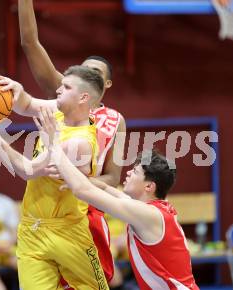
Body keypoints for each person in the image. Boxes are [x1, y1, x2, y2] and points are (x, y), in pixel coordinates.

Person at [16, 0, 127, 284]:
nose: (85, 75)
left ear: (105, 86)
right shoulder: (63, 99)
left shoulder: (116, 120)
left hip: (85, 209)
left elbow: (114, 177)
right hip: (49, 208)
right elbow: (30, 42)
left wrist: (81, 182)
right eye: (82, 70)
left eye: (95, 73)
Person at [0, 65, 109, 290]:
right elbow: (26, 104)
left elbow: (27, 170)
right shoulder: (58, 111)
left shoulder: (80, 142)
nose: (58, 90)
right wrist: (15, 89)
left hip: (68, 231)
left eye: (66, 87)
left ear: (83, 97)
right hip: (31, 229)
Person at [34, 107, 200, 290]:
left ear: (149, 186)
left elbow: (84, 191)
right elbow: (104, 186)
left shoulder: (148, 214)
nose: (128, 172)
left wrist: (54, 147)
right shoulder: (151, 209)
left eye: (135, 172)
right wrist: (74, 174)